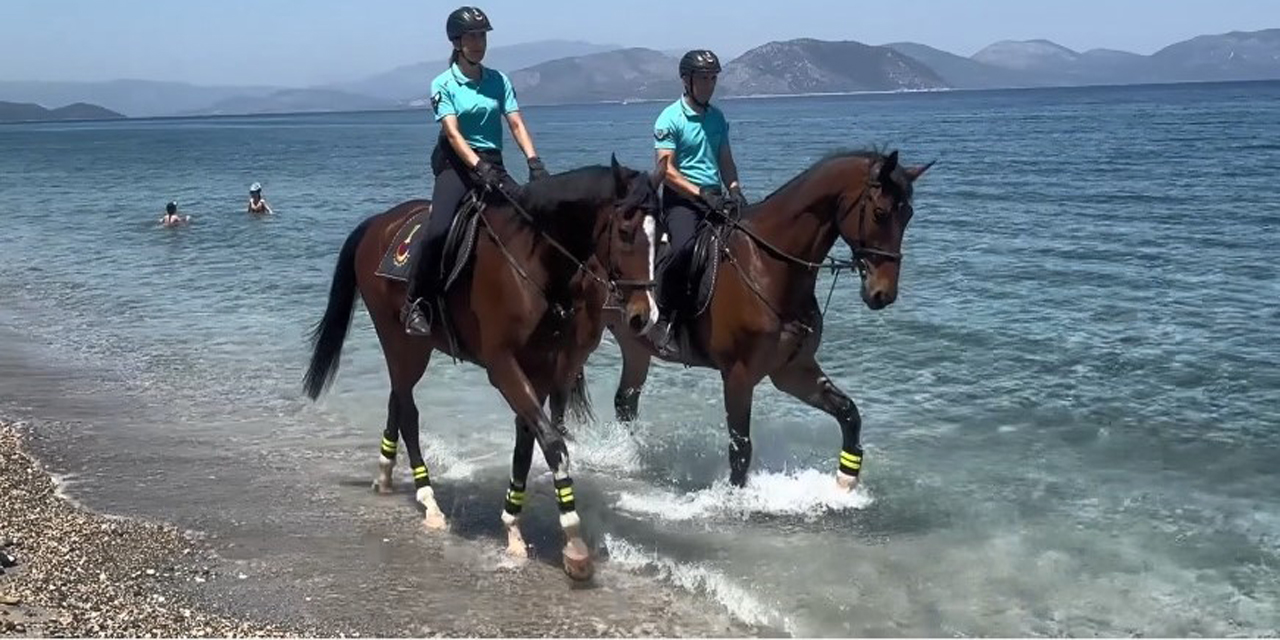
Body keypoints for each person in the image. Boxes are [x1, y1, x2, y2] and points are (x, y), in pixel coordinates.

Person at [402, 5, 550, 336]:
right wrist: (477, 165)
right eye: (472, 37)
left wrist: (534, 162)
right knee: (439, 228)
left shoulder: (498, 80)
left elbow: (515, 122)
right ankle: (416, 302)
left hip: (492, 162)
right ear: (457, 42)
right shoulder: (443, 84)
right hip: (455, 164)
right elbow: (453, 134)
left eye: (482, 36)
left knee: (532, 218)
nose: (479, 42)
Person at [651, 49, 747, 351]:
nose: (709, 85)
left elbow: (725, 160)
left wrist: (735, 189)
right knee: (685, 250)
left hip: (716, 198)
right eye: (703, 79)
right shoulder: (670, 118)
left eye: (713, 79)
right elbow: (665, 170)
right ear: (686, 80)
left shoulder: (717, 118)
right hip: (682, 201)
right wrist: (700, 193)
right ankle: (667, 318)